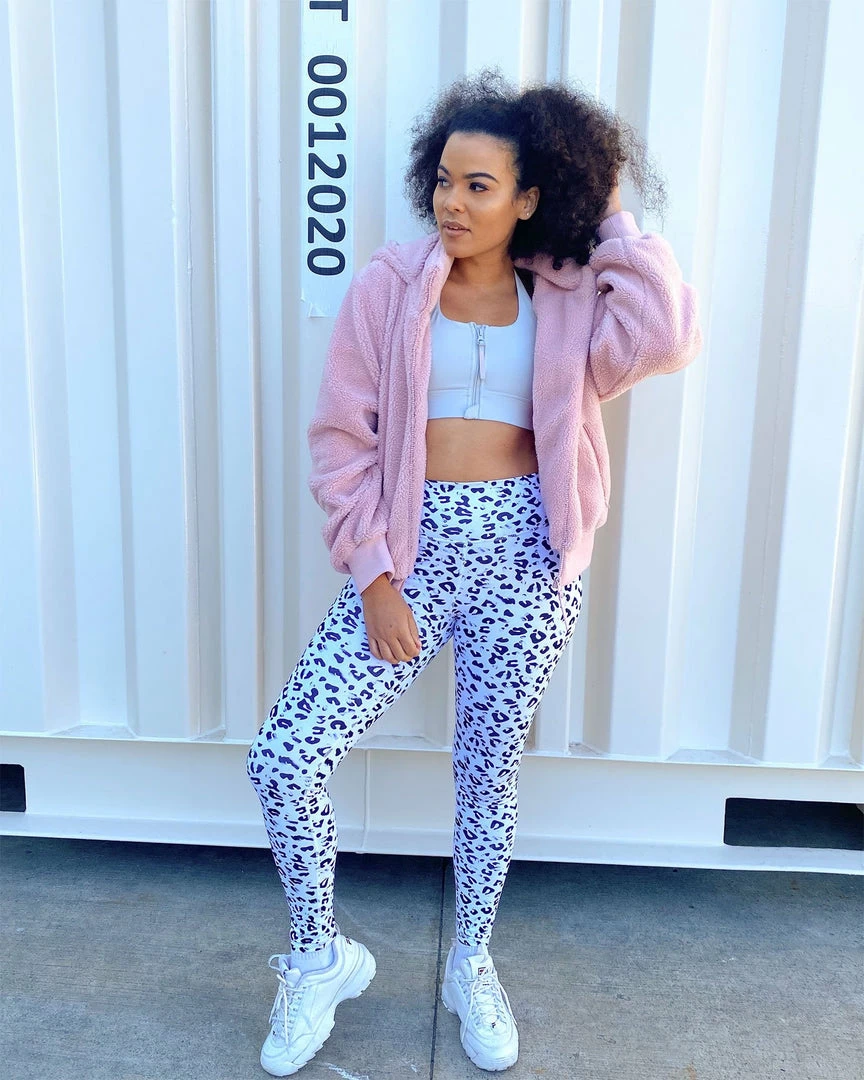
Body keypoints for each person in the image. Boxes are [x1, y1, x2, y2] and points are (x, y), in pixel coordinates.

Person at [246, 68, 703, 1076]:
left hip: (528, 557)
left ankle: (472, 961)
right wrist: (375, 577)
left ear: (530, 196)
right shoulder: (390, 285)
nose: (452, 202)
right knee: (286, 756)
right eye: (445, 181)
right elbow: (340, 441)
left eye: (480, 186)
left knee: (489, 771)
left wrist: (612, 214)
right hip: (413, 551)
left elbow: (668, 336)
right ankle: (321, 958)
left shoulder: (569, 294)